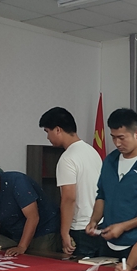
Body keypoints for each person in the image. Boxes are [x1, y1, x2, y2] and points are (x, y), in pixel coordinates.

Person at [86, 108, 137, 261]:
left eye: (122, 138)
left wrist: (123, 227)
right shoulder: (110, 161)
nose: (117, 143)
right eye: (113, 137)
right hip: (107, 241)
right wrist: (94, 221)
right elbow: (102, 195)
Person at [39, 106, 102, 257]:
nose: (47, 137)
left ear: (58, 130)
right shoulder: (92, 151)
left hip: (81, 229)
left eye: (47, 131)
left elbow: (69, 198)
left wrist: (64, 233)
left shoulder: (67, 158)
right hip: (99, 224)